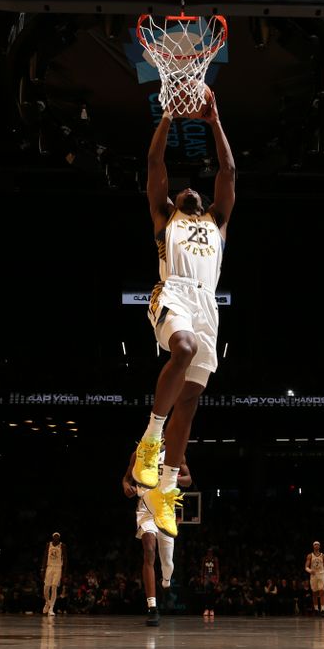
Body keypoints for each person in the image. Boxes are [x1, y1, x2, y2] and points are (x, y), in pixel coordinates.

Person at [131, 87, 236, 539]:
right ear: (173, 201)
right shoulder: (164, 218)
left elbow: (229, 169)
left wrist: (214, 121)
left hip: (207, 303)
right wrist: (168, 118)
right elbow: (155, 166)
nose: (190, 187)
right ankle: (150, 439)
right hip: (171, 292)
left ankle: (166, 486)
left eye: (196, 187)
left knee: (191, 401)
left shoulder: (217, 222)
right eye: (183, 188)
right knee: (183, 347)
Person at [123, 443, 192, 626]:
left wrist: (175, 477)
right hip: (145, 508)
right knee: (149, 550)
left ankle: (166, 581)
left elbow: (188, 479)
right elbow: (127, 478)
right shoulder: (138, 453)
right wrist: (126, 486)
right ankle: (152, 608)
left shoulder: (175, 453)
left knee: (167, 562)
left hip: (165, 510)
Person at [41, 532, 66, 616]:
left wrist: (64, 572)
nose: (56, 538)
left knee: (54, 587)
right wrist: (42, 569)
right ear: (52, 537)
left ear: (59, 538)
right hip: (49, 567)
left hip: (58, 568)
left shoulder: (62, 546)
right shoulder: (49, 544)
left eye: (57, 536)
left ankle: (51, 608)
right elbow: (45, 556)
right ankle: (47, 603)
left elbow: (65, 560)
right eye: (54, 536)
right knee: (46, 588)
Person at [304, 541, 324, 616]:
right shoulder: (310, 555)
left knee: (322, 592)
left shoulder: (323, 556)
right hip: (313, 576)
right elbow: (306, 566)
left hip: (321, 574)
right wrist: (310, 571)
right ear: (313, 546)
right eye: (315, 545)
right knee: (314, 593)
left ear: (319, 546)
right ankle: (316, 609)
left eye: (318, 545)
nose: (316, 546)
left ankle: (322, 610)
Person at [200, 547, 220, 618]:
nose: (209, 553)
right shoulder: (204, 559)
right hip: (206, 577)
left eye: (211, 552)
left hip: (213, 578)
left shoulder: (215, 559)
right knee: (206, 594)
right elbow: (202, 569)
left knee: (212, 594)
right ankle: (206, 609)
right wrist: (202, 578)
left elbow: (217, 569)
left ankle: (211, 609)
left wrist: (217, 579)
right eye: (208, 551)